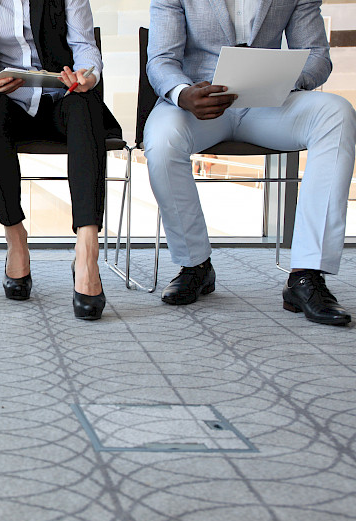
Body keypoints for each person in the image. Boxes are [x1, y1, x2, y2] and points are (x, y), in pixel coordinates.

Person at [145, 0, 356, 326]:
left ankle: (306, 275)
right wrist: (183, 93)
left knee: (337, 114)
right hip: (201, 104)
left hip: (271, 104)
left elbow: (317, 57)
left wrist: (279, 81)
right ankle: (195, 266)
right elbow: (162, 60)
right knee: (160, 139)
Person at [0, 0, 121, 320]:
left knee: (84, 104)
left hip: (61, 99)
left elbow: (85, 47)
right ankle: (16, 239)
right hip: (9, 106)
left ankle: (87, 251)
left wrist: (86, 75)